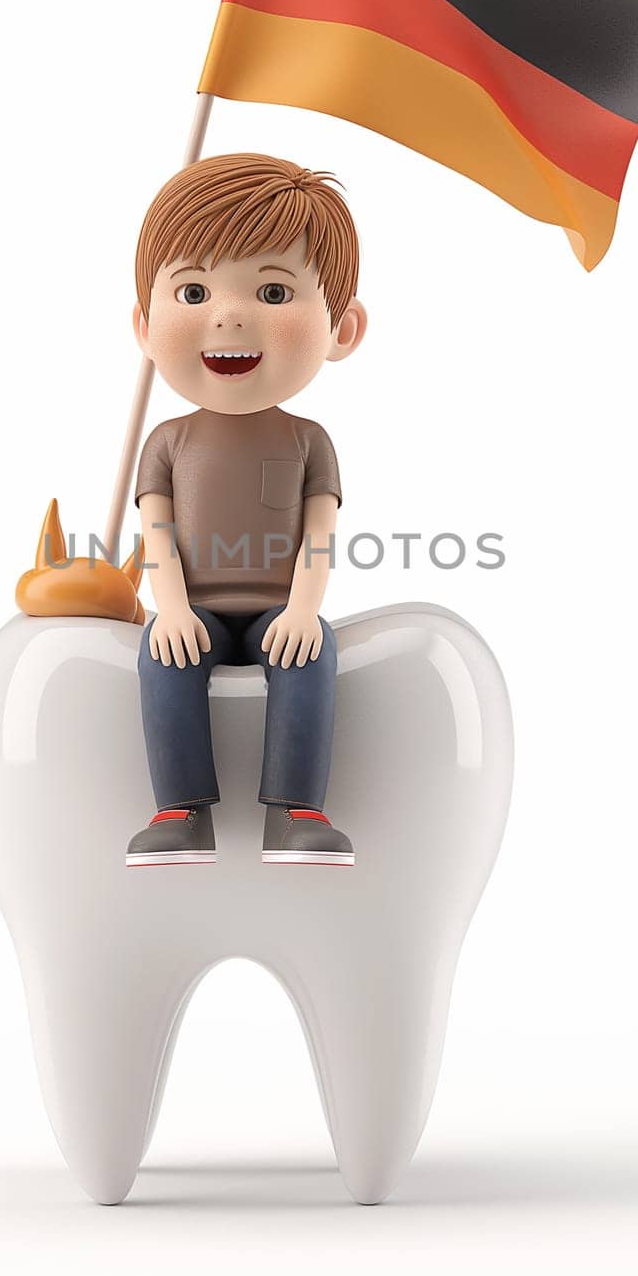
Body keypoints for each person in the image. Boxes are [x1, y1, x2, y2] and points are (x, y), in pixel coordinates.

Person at [126, 153, 368, 867]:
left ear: (341, 329)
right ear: (145, 325)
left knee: (312, 652)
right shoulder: (165, 442)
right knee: (161, 658)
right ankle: (178, 810)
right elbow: (157, 537)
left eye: (271, 290)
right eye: (193, 291)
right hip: (193, 608)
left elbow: (318, 537)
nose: (228, 315)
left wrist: (300, 610)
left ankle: (297, 812)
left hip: (274, 612)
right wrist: (168, 609)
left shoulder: (307, 442)